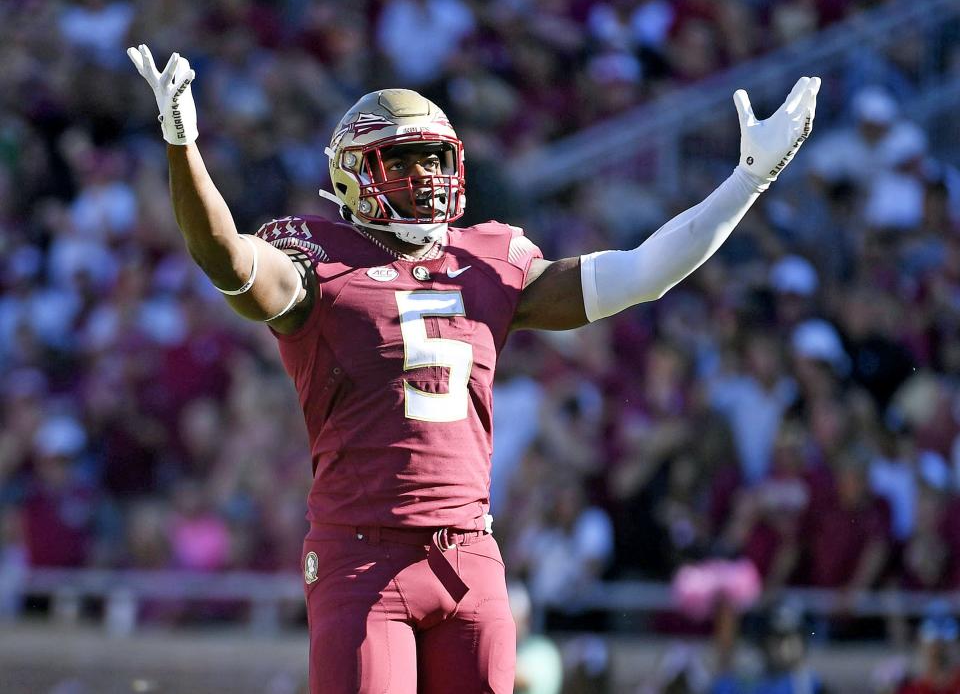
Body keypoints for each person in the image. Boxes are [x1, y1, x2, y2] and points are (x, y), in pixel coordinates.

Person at [127, 43, 820, 693]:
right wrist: (183, 147)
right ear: (353, 174)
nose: (425, 177)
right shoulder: (318, 259)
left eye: (434, 159)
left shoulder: (488, 259)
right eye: (402, 161)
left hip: (470, 554)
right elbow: (226, 256)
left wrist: (747, 180)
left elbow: (641, 274)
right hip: (362, 556)